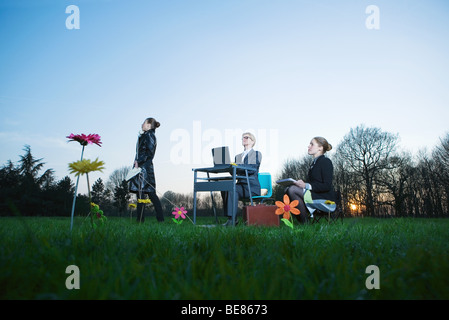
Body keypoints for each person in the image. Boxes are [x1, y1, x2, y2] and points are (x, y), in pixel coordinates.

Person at [285, 136, 336, 224]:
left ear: (320, 148)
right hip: (314, 194)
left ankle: (305, 223)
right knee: (287, 189)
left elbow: (327, 185)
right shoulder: (314, 164)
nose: (309, 146)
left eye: (312, 144)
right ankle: (303, 221)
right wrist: (300, 184)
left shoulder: (326, 161)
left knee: (292, 190)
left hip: (324, 197)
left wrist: (306, 185)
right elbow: (313, 183)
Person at [222, 132, 262, 226]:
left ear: (252, 141)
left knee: (232, 189)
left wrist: (237, 166)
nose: (243, 139)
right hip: (240, 185)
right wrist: (230, 167)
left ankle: (232, 221)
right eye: (242, 138)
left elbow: (252, 168)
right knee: (225, 187)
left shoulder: (256, 154)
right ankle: (231, 218)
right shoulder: (238, 156)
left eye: (246, 137)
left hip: (251, 187)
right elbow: (236, 171)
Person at [129, 117, 164, 223]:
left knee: (149, 193)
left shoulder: (150, 135)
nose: (142, 124)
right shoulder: (146, 135)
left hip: (144, 168)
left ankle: (148, 220)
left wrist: (139, 162)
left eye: (144, 123)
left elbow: (150, 153)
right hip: (142, 167)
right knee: (143, 193)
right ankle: (142, 220)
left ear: (149, 125)